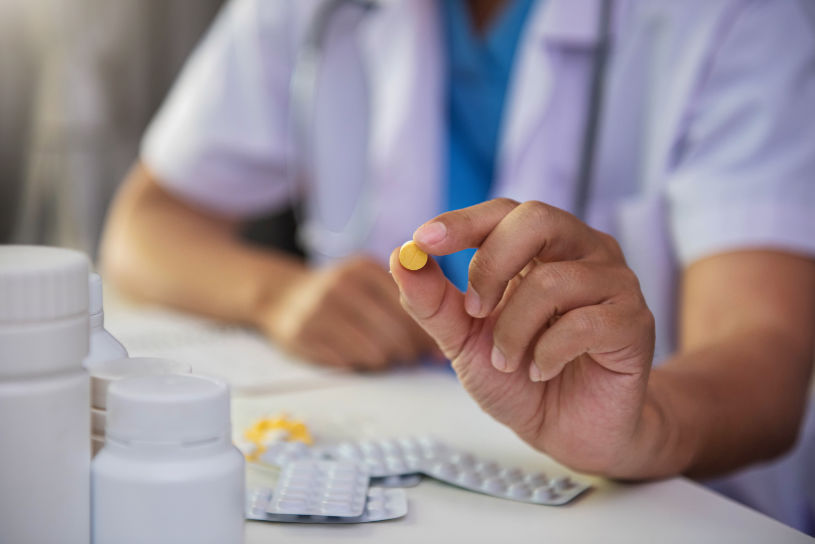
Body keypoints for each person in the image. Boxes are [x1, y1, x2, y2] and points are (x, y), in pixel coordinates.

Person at [100, 0, 815, 530]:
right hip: (396, 463)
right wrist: (276, 295)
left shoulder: (737, 19)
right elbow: (142, 225)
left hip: (656, 506)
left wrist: (638, 426)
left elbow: (766, 357)